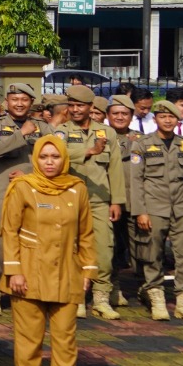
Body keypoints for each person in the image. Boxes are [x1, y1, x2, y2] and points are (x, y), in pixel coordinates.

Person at [1, 138, 94, 366]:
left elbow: (86, 233)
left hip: (67, 272)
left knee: (66, 339)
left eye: (55, 156)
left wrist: (88, 270)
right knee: (29, 338)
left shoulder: (77, 189)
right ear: (36, 159)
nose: (50, 162)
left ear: (64, 158)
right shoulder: (23, 187)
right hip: (29, 273)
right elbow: (9, 230)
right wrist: (14, 270)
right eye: (44, 157)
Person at [0, 83, 55, 317]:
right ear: (5, 103)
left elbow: (55, 156)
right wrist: (21, 134)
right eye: (14, 99)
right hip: (5, 189)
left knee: (35, 238)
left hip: (37, 189)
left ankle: (26, 288)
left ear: (31, 103)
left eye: (24, 99)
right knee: (0, 239)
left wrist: (32, 176)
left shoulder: (44, 127)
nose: (19, 104)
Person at [126, 100, 183, 323]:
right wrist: (140, 211)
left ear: (177, 119)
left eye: (171, 117)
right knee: (152, 253)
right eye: (163, 117)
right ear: (156, 119)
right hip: (153, 207)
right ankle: (156, 297)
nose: (168, 121)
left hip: (182, 207)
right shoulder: (142, 144)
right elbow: (137, 180)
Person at [57, 83, 126, 320]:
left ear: (90, 107)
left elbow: (115, 169)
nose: (75, 110)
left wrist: (116, 201)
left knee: (104, 249)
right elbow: (56, 158)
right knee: (71, 249)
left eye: (80, 105)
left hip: (99, 200)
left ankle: (101, 297)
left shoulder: (107, 133)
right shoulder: (60, 132)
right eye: (71, 105)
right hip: (68, 199)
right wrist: (87, 152)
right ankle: (77, 297)